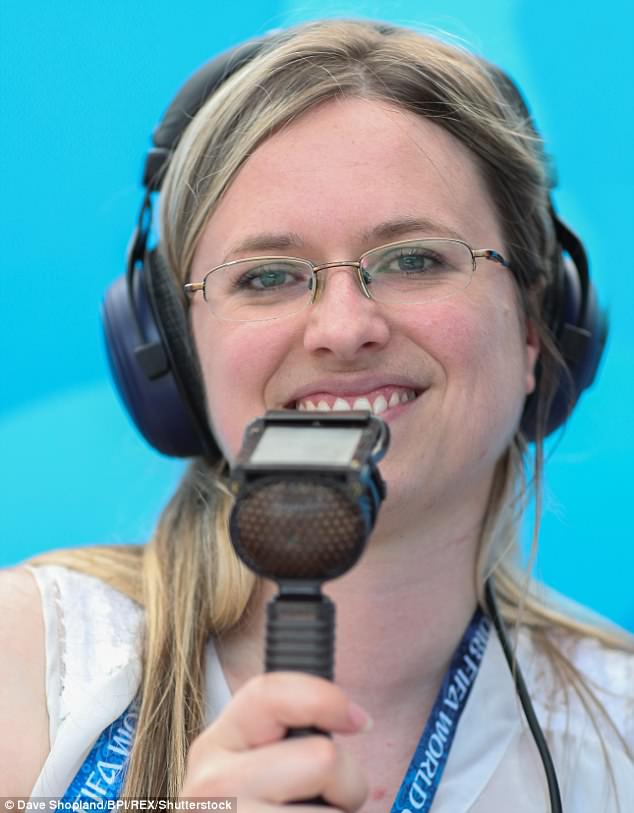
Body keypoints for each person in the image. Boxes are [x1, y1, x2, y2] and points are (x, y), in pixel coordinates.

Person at [1, 18, 632, 811]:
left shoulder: (621, 736)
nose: (342, 329)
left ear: (538, 325)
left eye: (415, 260)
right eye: (266, 276)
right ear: (174, 347)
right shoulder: (24, 665)